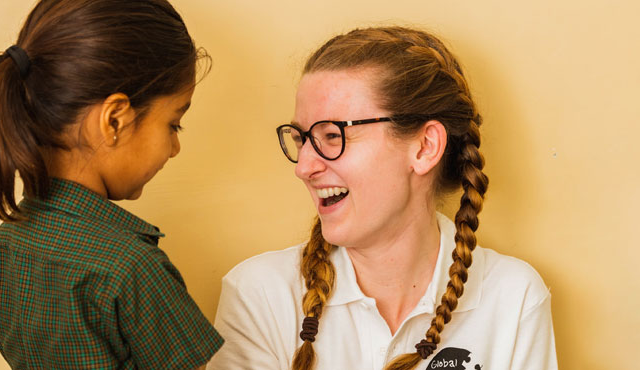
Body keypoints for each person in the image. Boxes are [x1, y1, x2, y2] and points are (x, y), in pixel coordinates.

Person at [207, 27, 556, 370]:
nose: (304, 167)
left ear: (424, 147)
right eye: (301, 139)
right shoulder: (260, 295)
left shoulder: (514, 299)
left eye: (332, 135)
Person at [0, 0, 222, 368]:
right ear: (114, 120)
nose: (175, 148)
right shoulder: (133, 269)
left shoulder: (2, 249)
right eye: (173, 124)